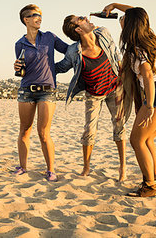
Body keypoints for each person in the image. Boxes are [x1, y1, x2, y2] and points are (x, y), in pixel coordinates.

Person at [103, 3, 156, 197]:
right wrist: (114, 5)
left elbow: (147, 75)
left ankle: (149, 186)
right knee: (147, 139)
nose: (121, 19)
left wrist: (150, 105)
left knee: (137, 140)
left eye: (123, 19)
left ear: (130, 25)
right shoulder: (149, 39)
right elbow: (140, 13)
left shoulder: (138, 48)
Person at [56, 15, 131, 181]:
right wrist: (35, 66)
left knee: (119, 126)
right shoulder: (73, 51)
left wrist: (123, 75)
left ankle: (123, 167)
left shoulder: (103, 33)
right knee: (89, 130)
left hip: (115, 88)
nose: (86, 17)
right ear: (78, 29)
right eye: (81, 18)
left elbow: (116, 55)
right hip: (94, 94)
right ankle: (86, 168)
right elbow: (60, 67)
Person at [13, 4, 68, 182]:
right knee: (24, 130)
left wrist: (57, 68)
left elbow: (69, 51)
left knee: (43, 132)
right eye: (35, 15)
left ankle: (51, 170)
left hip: (47, 91)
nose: (39, 18)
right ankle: (22, 167)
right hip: (26, 90)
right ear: (26, 19)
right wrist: (17, 67)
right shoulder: (19, 44)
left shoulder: (50, 37)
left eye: (40, 15)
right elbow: (23, 70)